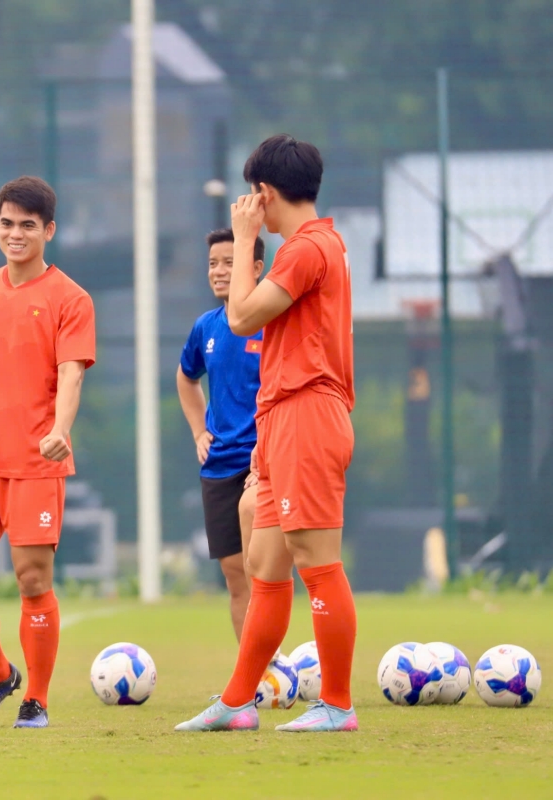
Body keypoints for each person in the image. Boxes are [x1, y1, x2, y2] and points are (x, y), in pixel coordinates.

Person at [176, 134, 357, 733]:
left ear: (266, 193)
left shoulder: (308, 248)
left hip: (308, 412)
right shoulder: (305, 249)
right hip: (278, 419)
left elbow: (241, 315)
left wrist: (246, 238)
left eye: (255, 196)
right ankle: (237, 703)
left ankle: (337, 703)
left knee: (316, 560)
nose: (251, 207)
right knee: (266, 563)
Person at [0, 176, 95, 729]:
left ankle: (39, 700)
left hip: (35, 460)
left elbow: (72, 374)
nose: (15, 234)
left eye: (28, 225)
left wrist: (60, 428)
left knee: (32, 579)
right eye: (7, 223)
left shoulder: (71, 299)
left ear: (48, 231)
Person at [177, 229, 265, 642]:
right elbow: (186, 377)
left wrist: (267, 452)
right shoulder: (205, 327)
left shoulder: (272, 324)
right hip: (218, 469)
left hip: (262, 465)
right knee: (235, 578)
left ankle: (276, 665)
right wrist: (200, 431)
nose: (219, 271)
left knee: (262, 572)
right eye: (213, 263)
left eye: (230, 261)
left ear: (257, 269)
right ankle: (251, 678)